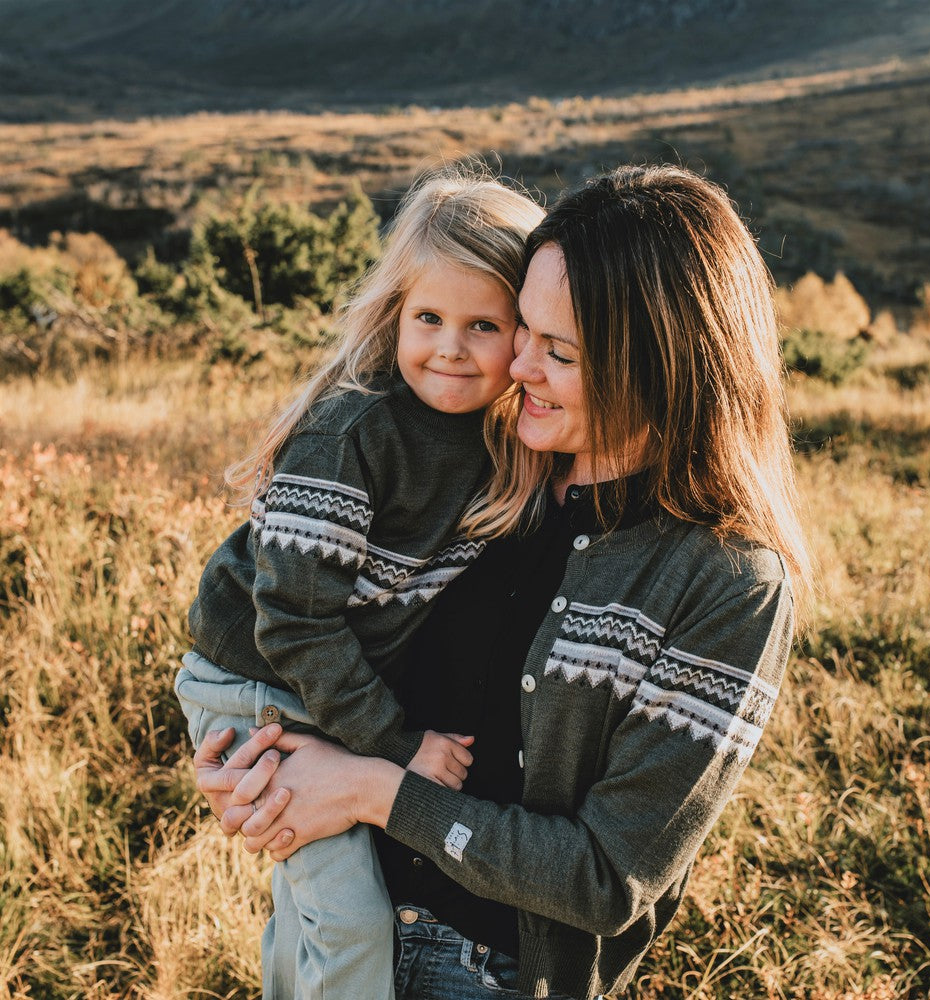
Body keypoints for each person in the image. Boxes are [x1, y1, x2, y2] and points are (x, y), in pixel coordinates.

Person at [193, 164, 812, 1000]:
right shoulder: (491, 470)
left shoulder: (726, 583)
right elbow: (297, 620)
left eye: (558, 350)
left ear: (664, 368)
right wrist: (258, 761)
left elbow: (606, 878)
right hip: (330, 932)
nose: (516, 365)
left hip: (482, 974)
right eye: (520, 328)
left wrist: (377, 790)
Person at [174, 169, 545, 1000]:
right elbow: (295, 623)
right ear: (396, 312)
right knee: (348, 923)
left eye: (482, 324)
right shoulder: (354, 434)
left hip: (320, 686)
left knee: (307, 912)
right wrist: (397, 745)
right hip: (257, 684)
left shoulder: (499, 437)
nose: (450, 346)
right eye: (429, 319)